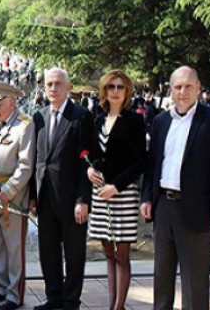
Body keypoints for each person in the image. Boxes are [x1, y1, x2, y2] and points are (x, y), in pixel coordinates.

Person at [141, 66, 210, 310]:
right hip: (163, 208)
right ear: (171, 90)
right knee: (162, 278)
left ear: (198, 88)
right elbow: (152, 164)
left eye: (189, 86)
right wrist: (147, 198)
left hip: (196, 209)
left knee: (195, 283)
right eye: (178, 87)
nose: (183, 91)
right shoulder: (160, 121)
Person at [30, 67, 93, 310]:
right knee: (49, 251)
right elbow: (37, 160)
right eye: (49, 84)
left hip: (71, 198)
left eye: (58, 84)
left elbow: (86, 162)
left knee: (74, 253)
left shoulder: (81, 116)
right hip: (45, 197)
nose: (53, 88)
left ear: (68, 87)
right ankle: (53, 296)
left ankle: (71, 301)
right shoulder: (39, 116)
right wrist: (32, 198)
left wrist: (83, 199)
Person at [85, 70, 146, 310]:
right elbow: (94, 155)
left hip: (123, 193)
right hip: (100, 194)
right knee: (108, 253)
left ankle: (118, 307)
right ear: (105, 90)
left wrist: (116, 186)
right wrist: (89, 170)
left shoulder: (134, 121)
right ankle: (112, 303)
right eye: (111, 87)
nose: (116, 91)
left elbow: (141, 161)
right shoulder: (98, 119)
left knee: (122, 255)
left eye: (121, 87)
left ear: (127, 91)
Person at [0, 80, 36, 310]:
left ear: (11, 102)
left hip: (11, 197)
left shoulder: (24, 125)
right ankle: (3, 287)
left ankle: (15, 294)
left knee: (14, 248)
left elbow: (25, 165)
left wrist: (9, 190)